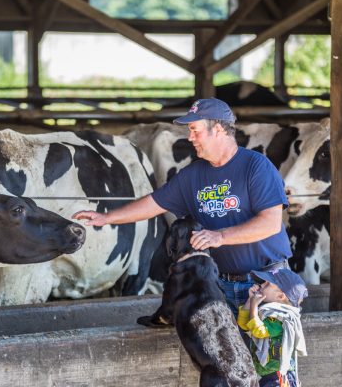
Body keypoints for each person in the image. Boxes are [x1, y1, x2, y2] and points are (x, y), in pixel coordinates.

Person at [72, 97, 293, 314]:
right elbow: (154, 203)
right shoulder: (193, 175)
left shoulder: (256, 167)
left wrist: (220, 237)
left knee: (269, 348)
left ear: (217, 130)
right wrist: (106, 218)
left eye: (195, 130)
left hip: (267, 285)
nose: (190, 137)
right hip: (220, 284)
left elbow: (271, 223)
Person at [237, 268, 308, 387]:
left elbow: (259, 332)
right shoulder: (267, 312)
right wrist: (250, 302)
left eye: (268, 283)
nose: (262, 284)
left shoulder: (283, 318)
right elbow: (244, 326)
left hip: (278, 378)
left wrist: (254, 307)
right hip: (267, 375)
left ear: (280, 296)